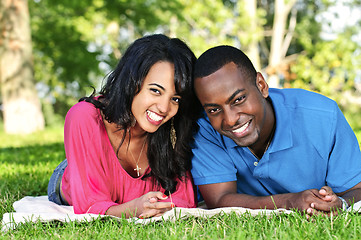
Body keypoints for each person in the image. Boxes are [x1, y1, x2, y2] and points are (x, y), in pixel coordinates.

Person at [191, 45, 361, 215]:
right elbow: (219, 199)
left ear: (261, 85)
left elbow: (356, 189)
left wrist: (339, 204)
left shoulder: (323, 116)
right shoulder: (205, 130)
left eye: (239, 99)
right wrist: (289, 202)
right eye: (214, 110)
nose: (230, 120)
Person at [47, 34, 199, 219]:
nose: (164, 108)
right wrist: (134, 208)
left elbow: (185, 201)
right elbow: (89, 206)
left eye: (175, 99)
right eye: (155, 91)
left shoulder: (173, 128)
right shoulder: (84, 117)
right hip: (76, 172)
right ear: (132, 82)